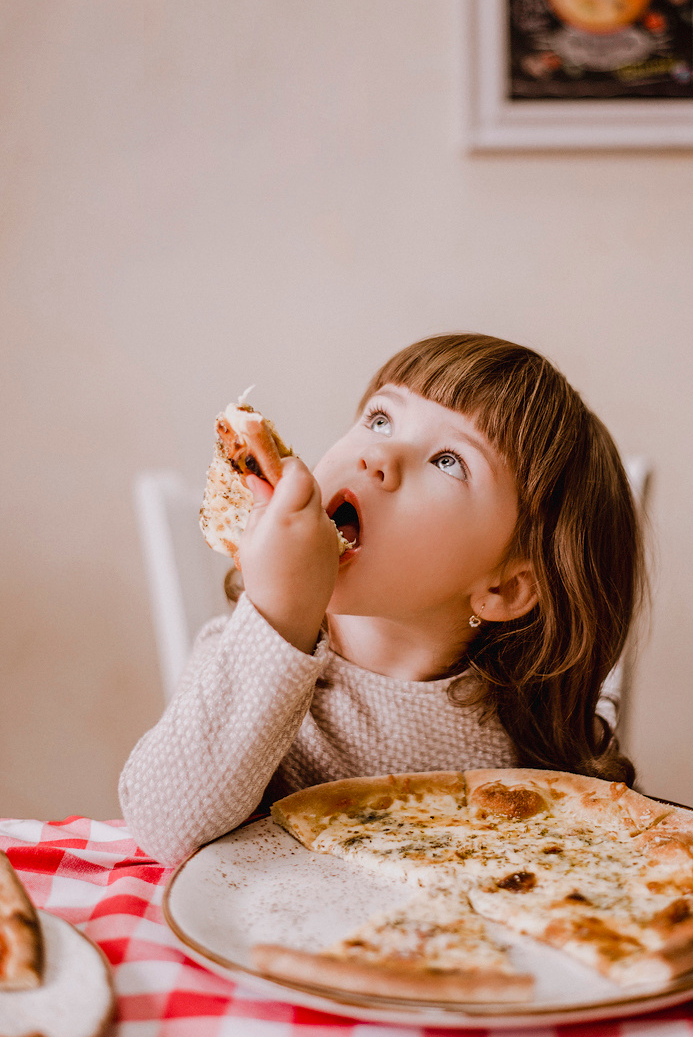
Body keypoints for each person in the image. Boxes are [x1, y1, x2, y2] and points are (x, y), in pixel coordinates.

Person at [120, 333, 646, 866]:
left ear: (504, 588)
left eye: (448, 461)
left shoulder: (521, 745)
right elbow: (164, 829)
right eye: (380, 419)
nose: (380, 453)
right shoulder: (247, 657)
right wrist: (280, 617)